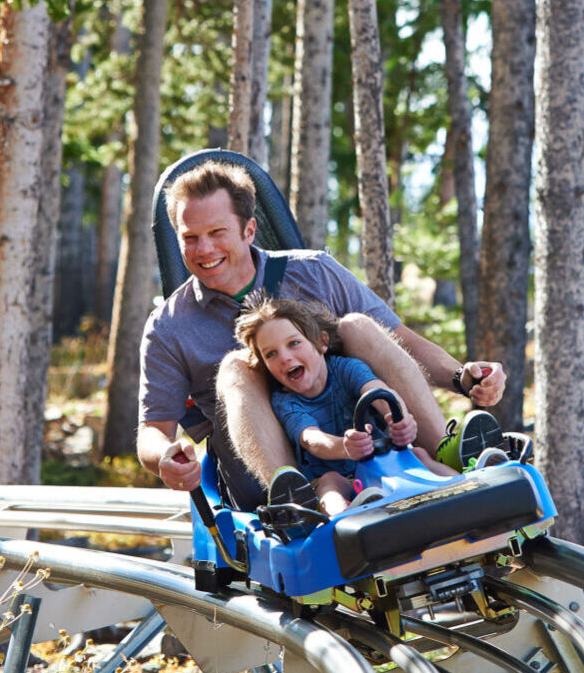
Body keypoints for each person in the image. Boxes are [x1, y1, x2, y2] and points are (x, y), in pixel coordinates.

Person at [134, 160, 507, 506]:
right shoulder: (169, 326)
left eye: (216, 232)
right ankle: (295, 500)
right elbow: (153, 429)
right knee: (236, 366)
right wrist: (164, 456)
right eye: (190, 237)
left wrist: (462, 377)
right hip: (267, 471)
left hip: (359, 433)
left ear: (249, 230)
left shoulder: (315, 272)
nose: (204, 249)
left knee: (356, 326)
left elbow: (400, 340)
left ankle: (444, 450)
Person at [233, 295, 459, 519]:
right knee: (329, 483)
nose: (284, 357)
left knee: (418, 453)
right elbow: (312, 440)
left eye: (294, 343)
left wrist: (398, 417)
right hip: (341, 479)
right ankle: (344, 517)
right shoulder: (286, 401)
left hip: (380, 463)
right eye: (271, 354)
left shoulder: (345, 369)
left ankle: (464, 485)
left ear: (322, 342)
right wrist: (344, 447)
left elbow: (377, 390)